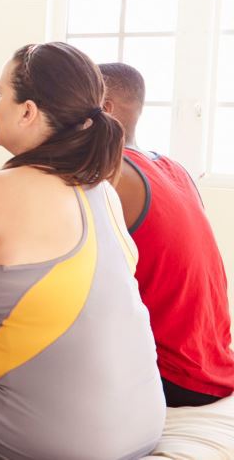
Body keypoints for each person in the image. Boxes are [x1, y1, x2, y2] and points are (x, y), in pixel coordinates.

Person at [0, 43, 165, 459]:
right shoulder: (103, 192)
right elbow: (22, 328)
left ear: (27, 111)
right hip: (142, 428)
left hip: (43, 443)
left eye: (0, 92)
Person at [100, 62, 234, 408]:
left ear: (105, 107)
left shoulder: (111, 174)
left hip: (174, 377)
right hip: (215, 366)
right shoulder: (175, 169)